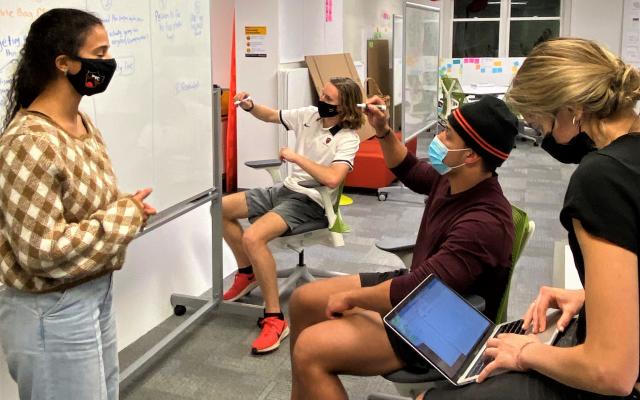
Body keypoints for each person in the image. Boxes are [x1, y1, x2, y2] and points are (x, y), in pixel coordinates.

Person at [418, 38, 640, 400]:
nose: (545, 137)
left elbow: (610, 370)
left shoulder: (602, 177)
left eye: (541, 125)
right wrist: (591, 297)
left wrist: (526, 353)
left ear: (571, 110)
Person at [288, 95, 519, 400]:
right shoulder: (452, 178)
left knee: (310, 349)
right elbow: (408, 168)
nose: (437, 138)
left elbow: (414, 290)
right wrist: (382, 130)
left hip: (445, 325)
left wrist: (351, 298)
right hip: (421, 293)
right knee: (303, 299)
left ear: (471, 155)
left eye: (447, 134)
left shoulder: (484, 222)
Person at [0, 8, 155, 400]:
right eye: (99, 55)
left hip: (93, 291)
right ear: (63, 62)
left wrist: (127, 208)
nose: (108, 64)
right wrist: (125, 216)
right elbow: (41, 250)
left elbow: (83, 208)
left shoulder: (83, 124)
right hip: (51, 308)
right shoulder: (30, 141)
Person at [223, 77, 363, 354]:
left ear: (344, 109)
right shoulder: (310, 115)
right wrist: (250, 106)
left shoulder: (348, 139)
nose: (321, 101)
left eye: (329, 99)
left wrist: (297, 158)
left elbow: (333, 178)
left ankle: (275, 319)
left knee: (253, 238)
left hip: (311, 200)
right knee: (220, 209)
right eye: (322, 94)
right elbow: (271, 115)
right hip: (285, 190)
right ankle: (247, 273)